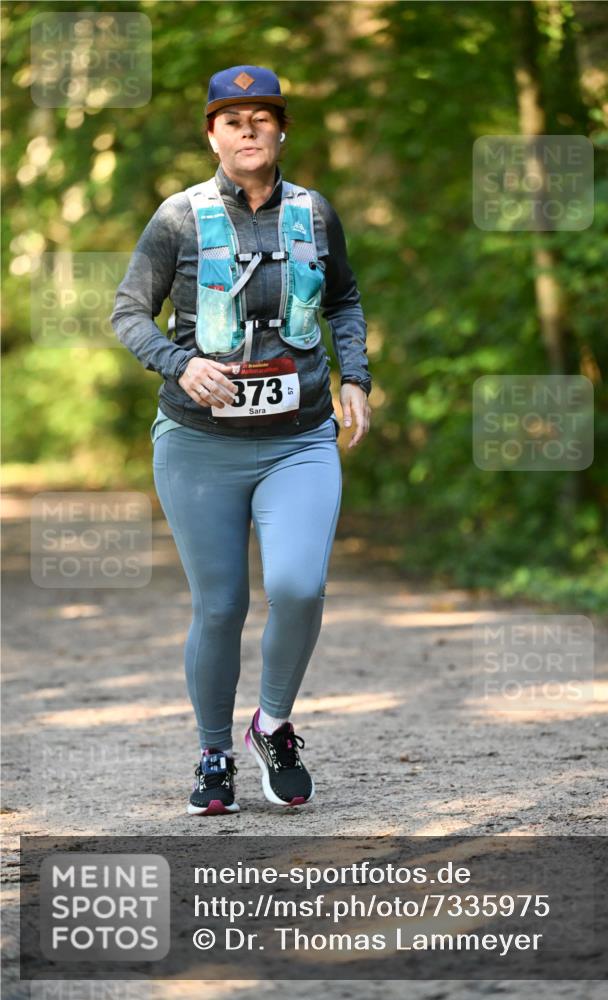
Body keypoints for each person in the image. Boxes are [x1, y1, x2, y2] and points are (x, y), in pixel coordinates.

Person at [111, 65, 372, 815]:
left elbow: (345, 297)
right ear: (212, 134)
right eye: (232, 118)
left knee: (297, 586)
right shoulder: (178, 217)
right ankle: (212, 754)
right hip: (198, 445)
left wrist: (355, 376)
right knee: (220, 606)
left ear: (281, 129)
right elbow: (129, 313)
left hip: (300, 436)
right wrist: (178, 362)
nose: (248, 128)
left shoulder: (314, 212)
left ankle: (274, 722)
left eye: (262, 116)